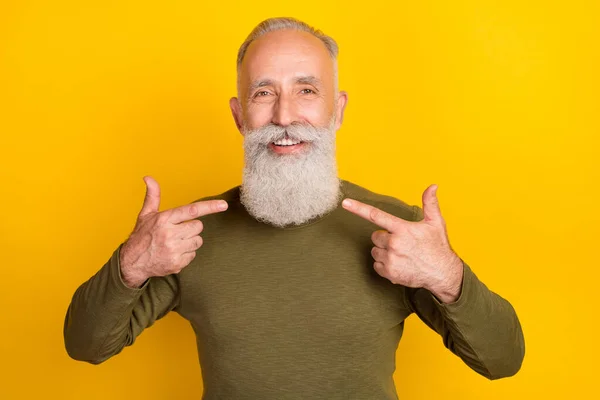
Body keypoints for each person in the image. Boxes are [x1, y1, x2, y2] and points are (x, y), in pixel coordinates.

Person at [64, 17, 525, 399]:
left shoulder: (398, 232)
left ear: (338, 110)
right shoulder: (187, 235)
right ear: (239, 115)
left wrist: (446, 276)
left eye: (306, 90)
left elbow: (502, 361)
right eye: (263, 93)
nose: (285, 117)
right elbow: (85, 346)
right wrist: (131, 264)